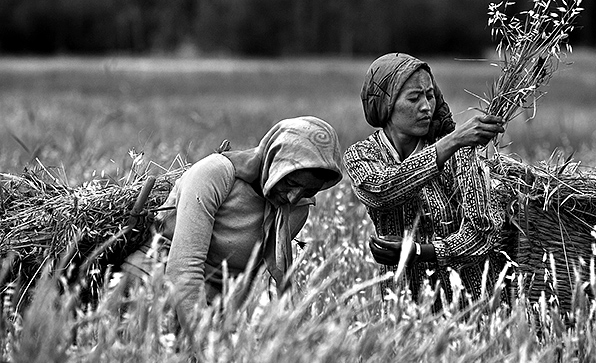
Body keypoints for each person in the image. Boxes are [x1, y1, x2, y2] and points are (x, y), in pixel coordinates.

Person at [123, 116, 343, 330]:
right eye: (291, 182)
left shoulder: (297, 209)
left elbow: (250, 276)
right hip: (151, 287)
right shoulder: (214, 175)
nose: (294, 197)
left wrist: (227, 327)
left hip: (213, 303)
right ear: (275, 162)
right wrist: (201, 338)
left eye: (309, 190)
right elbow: (183, 267)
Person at [343, 53, 507, 307]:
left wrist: (420, 252)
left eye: (430, 95)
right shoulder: (361, 156)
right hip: (404, 306)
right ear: (385, 105)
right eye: (413, 98)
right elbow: (382, 191)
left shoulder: (461, 154)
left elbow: (483, 232)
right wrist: (450, 142)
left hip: (470, 306)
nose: (426, 107)